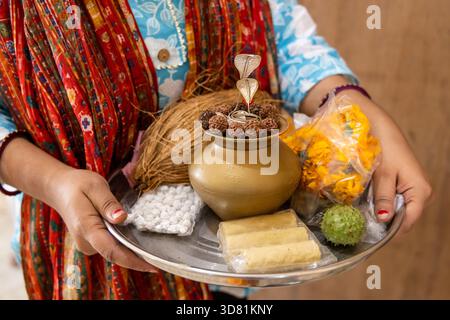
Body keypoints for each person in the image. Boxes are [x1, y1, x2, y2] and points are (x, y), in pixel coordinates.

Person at [0, 0, 431, 300]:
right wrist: (52, 180)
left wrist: (347, 104)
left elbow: (282, 34)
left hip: (235, 270)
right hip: (87, 249)